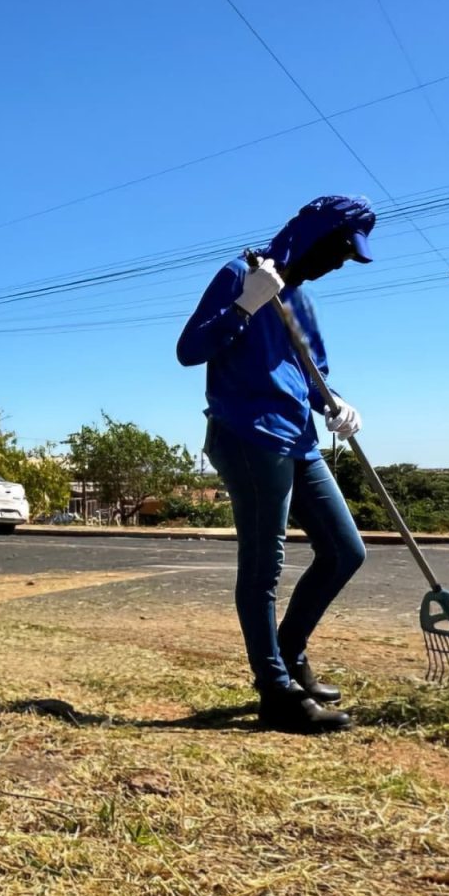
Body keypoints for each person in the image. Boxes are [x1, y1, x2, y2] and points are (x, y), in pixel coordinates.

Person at [175, 195, 375, 733]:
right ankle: (275, 691)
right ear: (314, 234)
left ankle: (289, 654)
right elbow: (190, 349)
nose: (336, 265)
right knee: (264, 568)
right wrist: (245, 305)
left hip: (300, 438)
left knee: (344, 551)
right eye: (337, 251)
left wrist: (336, 403)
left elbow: (313, 375)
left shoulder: (301, 301)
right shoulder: (241, 273)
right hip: (248, 435)